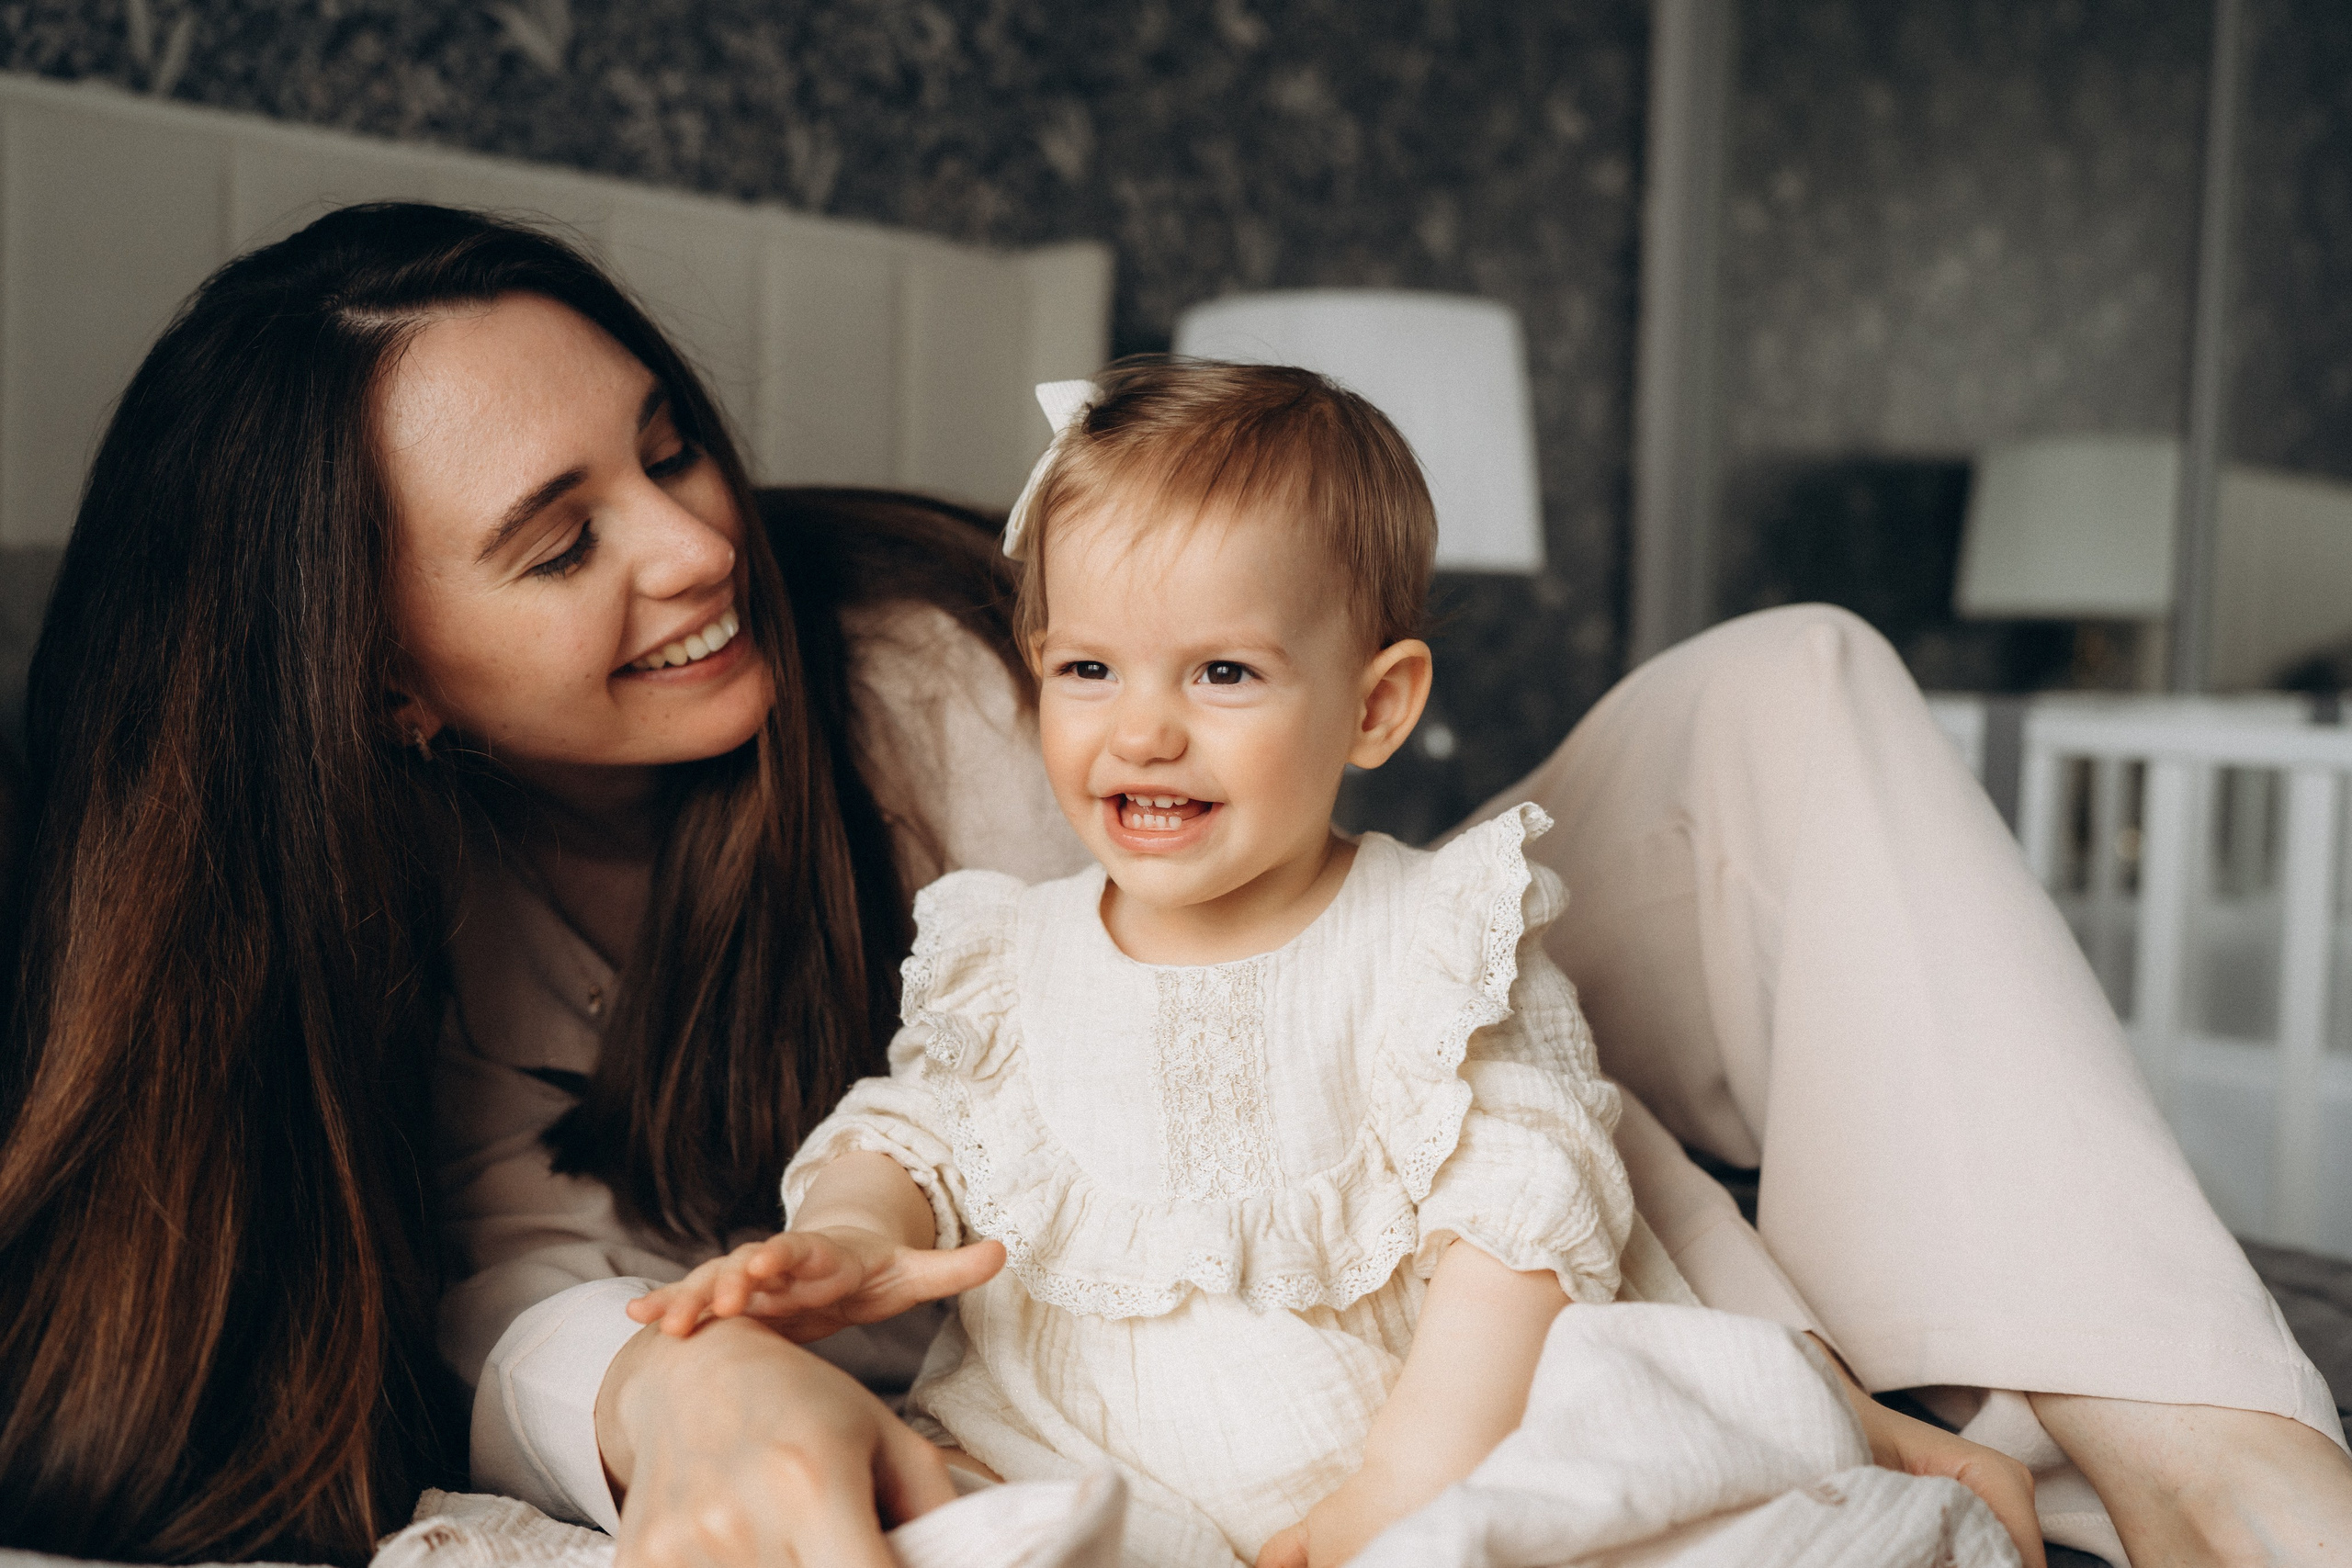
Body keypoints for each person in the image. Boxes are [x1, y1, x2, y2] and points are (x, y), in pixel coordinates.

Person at [0, 201, 2343, 1568]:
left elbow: (1383, 1059)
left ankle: (2222, 1470)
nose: (702, 541)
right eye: (561, 536)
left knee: (1789, 686)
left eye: (670, 440)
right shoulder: (386, 938)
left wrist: (1836, 1397)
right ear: (379, 672)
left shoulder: (925, 672)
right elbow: (513, 1275)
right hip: (1085, 1330)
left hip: (1361, 1076)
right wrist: (675, 1407)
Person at [628, 358, 1728, 1568]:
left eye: (1223, 673)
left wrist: (1406, 1489)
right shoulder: (1009, 954)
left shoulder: (1435, 940)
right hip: (1045, 1449)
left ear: (1376, 706)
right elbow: (916, 1131)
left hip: (1373, 1457)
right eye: (1087, 670)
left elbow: (1521, 1224)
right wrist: (849, 1232)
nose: (1142, 731)